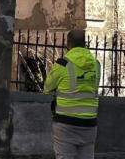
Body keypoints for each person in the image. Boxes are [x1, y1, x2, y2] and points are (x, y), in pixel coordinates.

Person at [42, 29, 101, 159]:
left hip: (65, 123)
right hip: (89, 123)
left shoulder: (62, 64)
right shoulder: (96, 65)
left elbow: (47, 88)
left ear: (68, 43)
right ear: (85, 44)